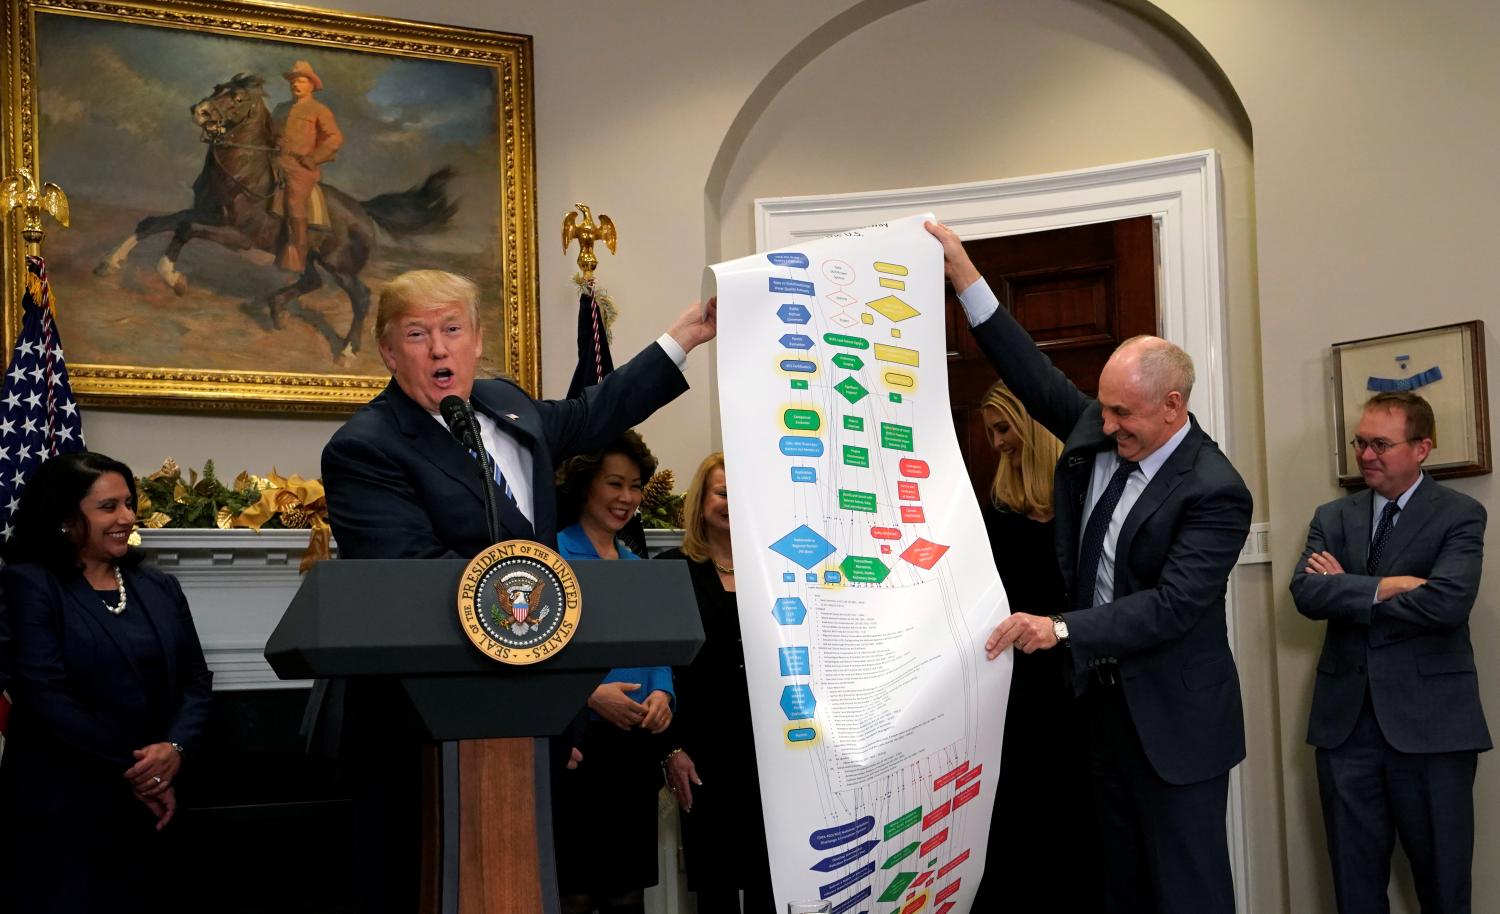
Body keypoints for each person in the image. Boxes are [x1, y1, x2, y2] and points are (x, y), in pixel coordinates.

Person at [317, 268, 715, 913]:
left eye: (452, 330)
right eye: (417, 335)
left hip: (528, 722)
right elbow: (413, 580)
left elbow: (595, 411)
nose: (439, 349)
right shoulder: (367, 448)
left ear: (477, 339)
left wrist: (684, 337)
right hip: (426, 731)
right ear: (389, 353)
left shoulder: (508, 406)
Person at [927, 220, 1252, 914]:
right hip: (1100, 714)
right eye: (1101, 407)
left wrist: (1063, 629)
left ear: (1173, 406)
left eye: (1122, 413)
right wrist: (961, 272)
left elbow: (1171, 605)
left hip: (1176, 726)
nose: (1104, 425)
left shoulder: (1215, 489)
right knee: (1121, 886)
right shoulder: (1100, 437)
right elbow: (1028, 368)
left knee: (1188, 890)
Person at [1289, 391, 1489, 914]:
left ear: (1422, 448)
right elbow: (1306, 594)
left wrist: (1349, 590)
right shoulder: (1333, 516)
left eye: (1381, 444)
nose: (1366, 455)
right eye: (1361, 442)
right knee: (1354, 887)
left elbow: (1447, 603)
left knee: (1444, 886)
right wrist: (1386, 587)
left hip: (1433, 728)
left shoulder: (1460, 514)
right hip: (1345, 728)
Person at [0, 452, 213, 914]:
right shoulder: (30, 584)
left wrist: (174, 749)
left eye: (129, 503)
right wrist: (145, 772)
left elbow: (197, 681)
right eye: (108, 507)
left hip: (152, 807)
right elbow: (45, 695)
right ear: (65, 518)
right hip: (66, 808)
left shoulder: (159, 586)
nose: (127, 517)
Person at [970, 382, 1104, 912]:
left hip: (1082, 691)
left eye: (1004, 428)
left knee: (1082, 829)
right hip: (1018, 696)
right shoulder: (996, 513)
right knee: (1022, 829)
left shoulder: (1088, 506)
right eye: (991, 432)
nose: (998, 442)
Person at [552, 430, 674, 914]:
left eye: (636, 486)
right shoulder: (552, 555)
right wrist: (589, 692)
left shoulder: (634, 562)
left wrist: (663, 692)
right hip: (580, 745)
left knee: (627, 894)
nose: (627, 498)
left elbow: (658, 644)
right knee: (576, 892)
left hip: (634, 750)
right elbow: (532, 651)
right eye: (615, 484)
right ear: (586, 485)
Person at [656, 453, 775, 913]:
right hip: (701, 753)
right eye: (723, 493)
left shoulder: (774, 570)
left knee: (771, 881)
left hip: (771, 751)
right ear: (701, 501)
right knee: (716, 888)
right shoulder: (672, 570)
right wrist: (671, 749)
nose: (732, 502)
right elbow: (658, 667)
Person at [271, 60, 343, 272]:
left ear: (311, 85)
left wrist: (313, 158)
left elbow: (335, 138)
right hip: (275, 160)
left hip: (300, 167)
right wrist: (274, 142)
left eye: (301, 81)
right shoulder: (280, 108)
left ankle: (297, 253)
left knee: (294, 201)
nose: (296, 85)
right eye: (293, 81)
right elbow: (272, 134)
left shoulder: (319, 110)